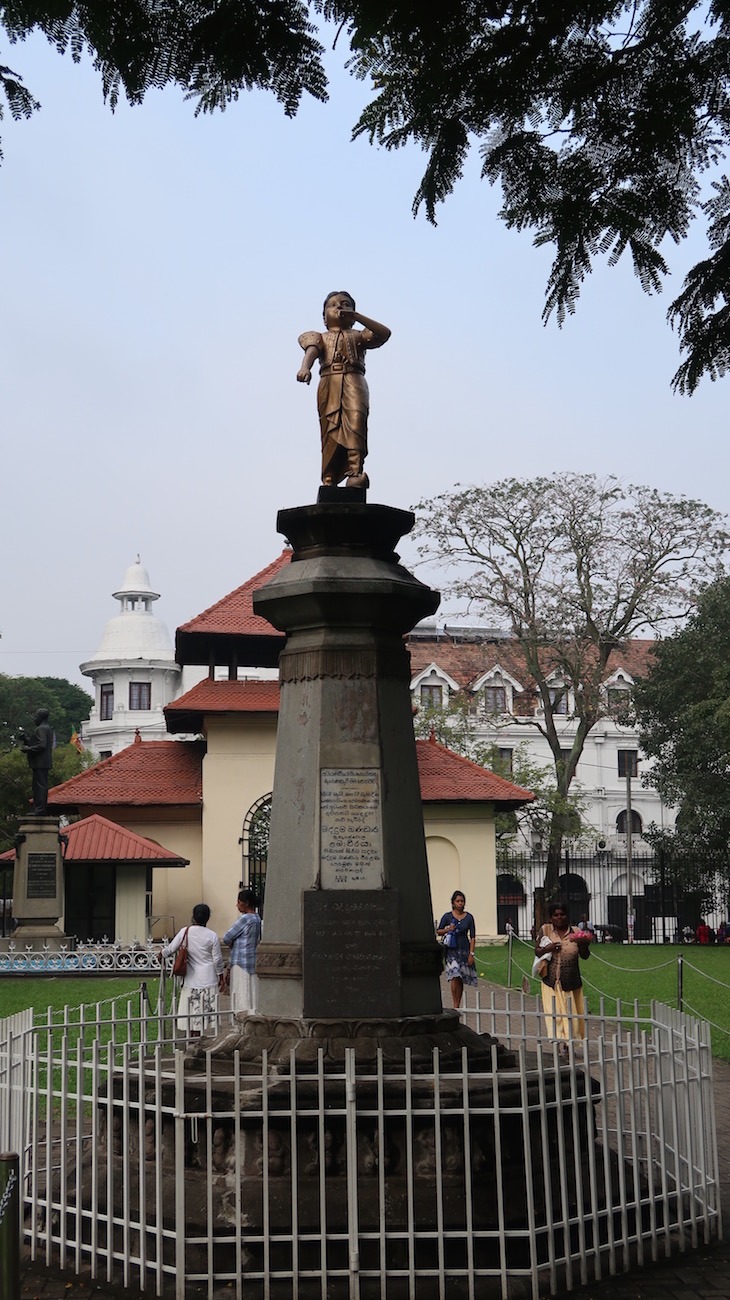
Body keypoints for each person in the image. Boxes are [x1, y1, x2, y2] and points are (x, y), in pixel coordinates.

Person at [297, 291, 391, 489]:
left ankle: (355, 470)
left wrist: (356, 316)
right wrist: (305, 367)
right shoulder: (320, 337)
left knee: (356, 420)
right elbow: (311, 352)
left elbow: (384, 334)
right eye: (333, 305)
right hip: (329, 381)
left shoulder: (359, 336)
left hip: (354, 380)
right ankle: (329, 476)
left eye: (345, 304)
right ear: (324, 317)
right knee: (330, 427)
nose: (339, 307)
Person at [536, 900, 591, 1054]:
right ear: (551, 917)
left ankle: (569, 1044)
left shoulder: (575, 932)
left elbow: (585, 956)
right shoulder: (546, 930)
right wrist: (549, 948)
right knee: (555, 1015)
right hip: (551, 981)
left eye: (562, 914)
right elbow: (537, 952)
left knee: (570, 1015)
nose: (559, 918)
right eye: (556, 915)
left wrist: (583, 943)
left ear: (567, 916)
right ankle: (559, 1044)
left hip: (570, 981)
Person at [163, 903, 224, 1036]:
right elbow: (217, 960)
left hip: (191, 980)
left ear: (193, 917)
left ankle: (192, 1040)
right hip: (208, 979)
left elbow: (170, 949)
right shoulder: (212, 935)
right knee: (204, 1013)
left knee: (191, 1013)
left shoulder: (185, 931)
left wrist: (161, 954)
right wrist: (220, 976)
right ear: (207, 918)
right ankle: (199, 1040)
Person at [223, 888, 262, 1014]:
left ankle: (240, 1017)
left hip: (240, 961)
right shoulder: (257, 918)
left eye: (239, 902)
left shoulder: (244, 919)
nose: (237, 905)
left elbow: (227, 937)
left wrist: (232, 942)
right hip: (251, 960)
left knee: (241, 993)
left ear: (246, 903)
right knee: (251, 992)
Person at [437, 891, 477, 1010]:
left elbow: (473, 936)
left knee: (460, 977)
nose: (460, 903)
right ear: (453, 903)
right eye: (458, 901)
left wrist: (471, 953)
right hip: (452, 950)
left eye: (462, 901)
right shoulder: (447, 916)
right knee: (454, 974)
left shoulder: (469, 917)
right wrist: (448, 929)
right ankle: (454, 1004)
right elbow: (438, 931)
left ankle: (457, 1004)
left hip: (464, 949)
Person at [20, 708, 54, 815]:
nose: (34, 719)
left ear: (40, 717)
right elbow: (37, 743)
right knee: (38, 785)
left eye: (36, 716)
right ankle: (38, 808)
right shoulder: (47, 729)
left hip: (40, 762)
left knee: (40, 786)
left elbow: (41, 745)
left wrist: (28, 749)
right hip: (42, 762)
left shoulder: (41, 729)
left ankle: (39, 809)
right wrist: (25, 739)